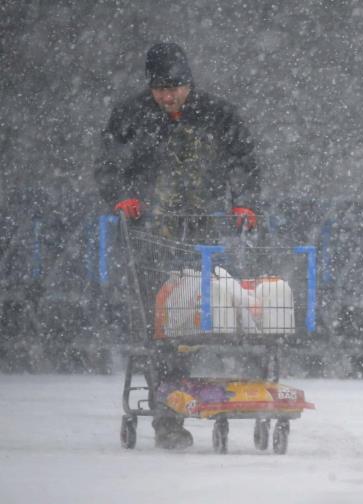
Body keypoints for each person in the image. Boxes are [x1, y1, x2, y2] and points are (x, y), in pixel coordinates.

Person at [94, 42, 261, 449]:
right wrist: (122, 195)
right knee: (163, 326)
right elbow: (108, 164)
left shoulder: (217, 114)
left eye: (176, 87)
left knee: (202, 318)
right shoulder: (130, 117)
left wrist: (243, 200)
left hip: (203, 230)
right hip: (149, 233)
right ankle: (168, 418)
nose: (168, 96)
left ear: (189, 82)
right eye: (160, 89)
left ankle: (193, 395)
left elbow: (245, 160)